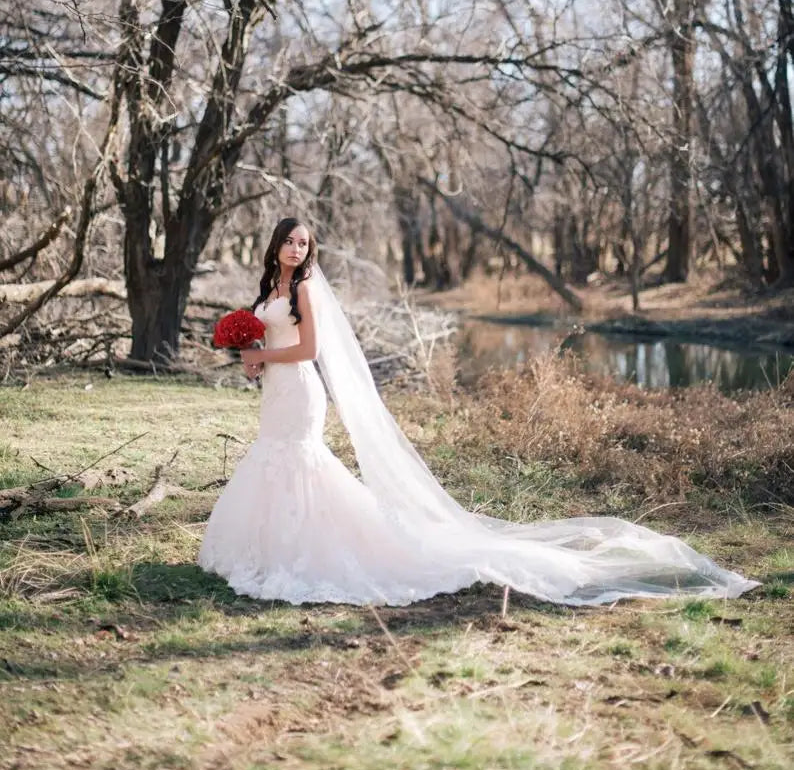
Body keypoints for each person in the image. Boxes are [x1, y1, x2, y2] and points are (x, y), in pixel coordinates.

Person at [198, 217, 759, 606]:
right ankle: (271, 546)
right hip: (275, 388)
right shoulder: (272, 285)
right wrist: (251, 361)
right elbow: (268, 343)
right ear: (275, 247)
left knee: (300, 461)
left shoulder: (305, 291)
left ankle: (317, 550)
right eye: (290, 242)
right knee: (276, 460)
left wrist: (263, 354)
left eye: (304, 243)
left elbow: (309, 351)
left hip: (300, 389)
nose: (297, 249)